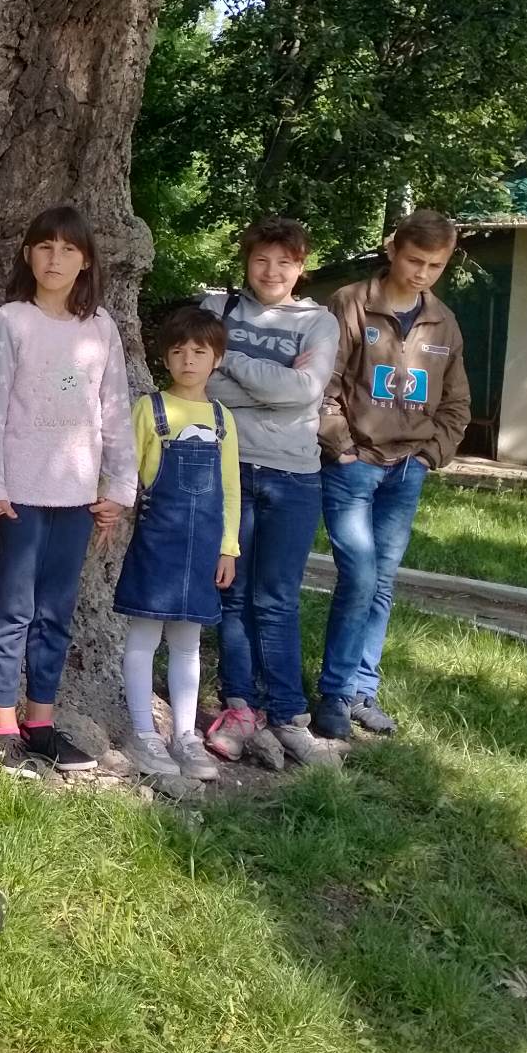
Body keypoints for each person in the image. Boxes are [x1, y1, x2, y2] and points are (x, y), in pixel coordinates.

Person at [0, 205, 136, 775]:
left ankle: (40, 724)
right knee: (13, 611)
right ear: (27, 255)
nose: (55, 259)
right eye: (45, 247)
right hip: (18, 496)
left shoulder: (100, 327)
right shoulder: (11, 320)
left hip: (77, 498)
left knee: (56, 614)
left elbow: (114, 409)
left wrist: (120, 486)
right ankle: (3, 727)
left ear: (85, 260)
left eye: (68, 249)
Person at [312, 209, 470, 741]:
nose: (422, 273)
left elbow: (456, 402)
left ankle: (363, 690)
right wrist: (341, 447)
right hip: (354, 466)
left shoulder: (443, 322)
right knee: (359, 577)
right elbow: (325, 384)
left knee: (381, 582)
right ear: (392, 250)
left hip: (407, 471)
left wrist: (431, 455)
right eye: (414, 260)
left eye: (435, 265)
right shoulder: (351, 303)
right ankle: (334, 694)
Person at [200, 219, 339, 769]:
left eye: (285, 261)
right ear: (247, 261)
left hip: (293, 475)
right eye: (261, 259)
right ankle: (239, 707)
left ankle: (287, 715)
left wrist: (231, 359)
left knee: (277, 599)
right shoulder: (218, 309)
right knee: (232, 595)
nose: (272, 271)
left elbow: (303, 391)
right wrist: (271, 387)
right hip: (227, 469)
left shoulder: (318, 321)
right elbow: (201, 382)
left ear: (301, 266)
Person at [113, 306, 239, 781]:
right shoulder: (150, 409)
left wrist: (228, 547)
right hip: (157, 542)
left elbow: (230, 489)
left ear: (217, 359)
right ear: (165, 358)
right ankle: (143, 733)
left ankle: (185, 735)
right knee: (144, 636)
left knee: (188, 642)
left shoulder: (223, 419)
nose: (189, 360)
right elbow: (125, 472)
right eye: (179, 351)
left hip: (204, 548)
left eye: (200, 352)